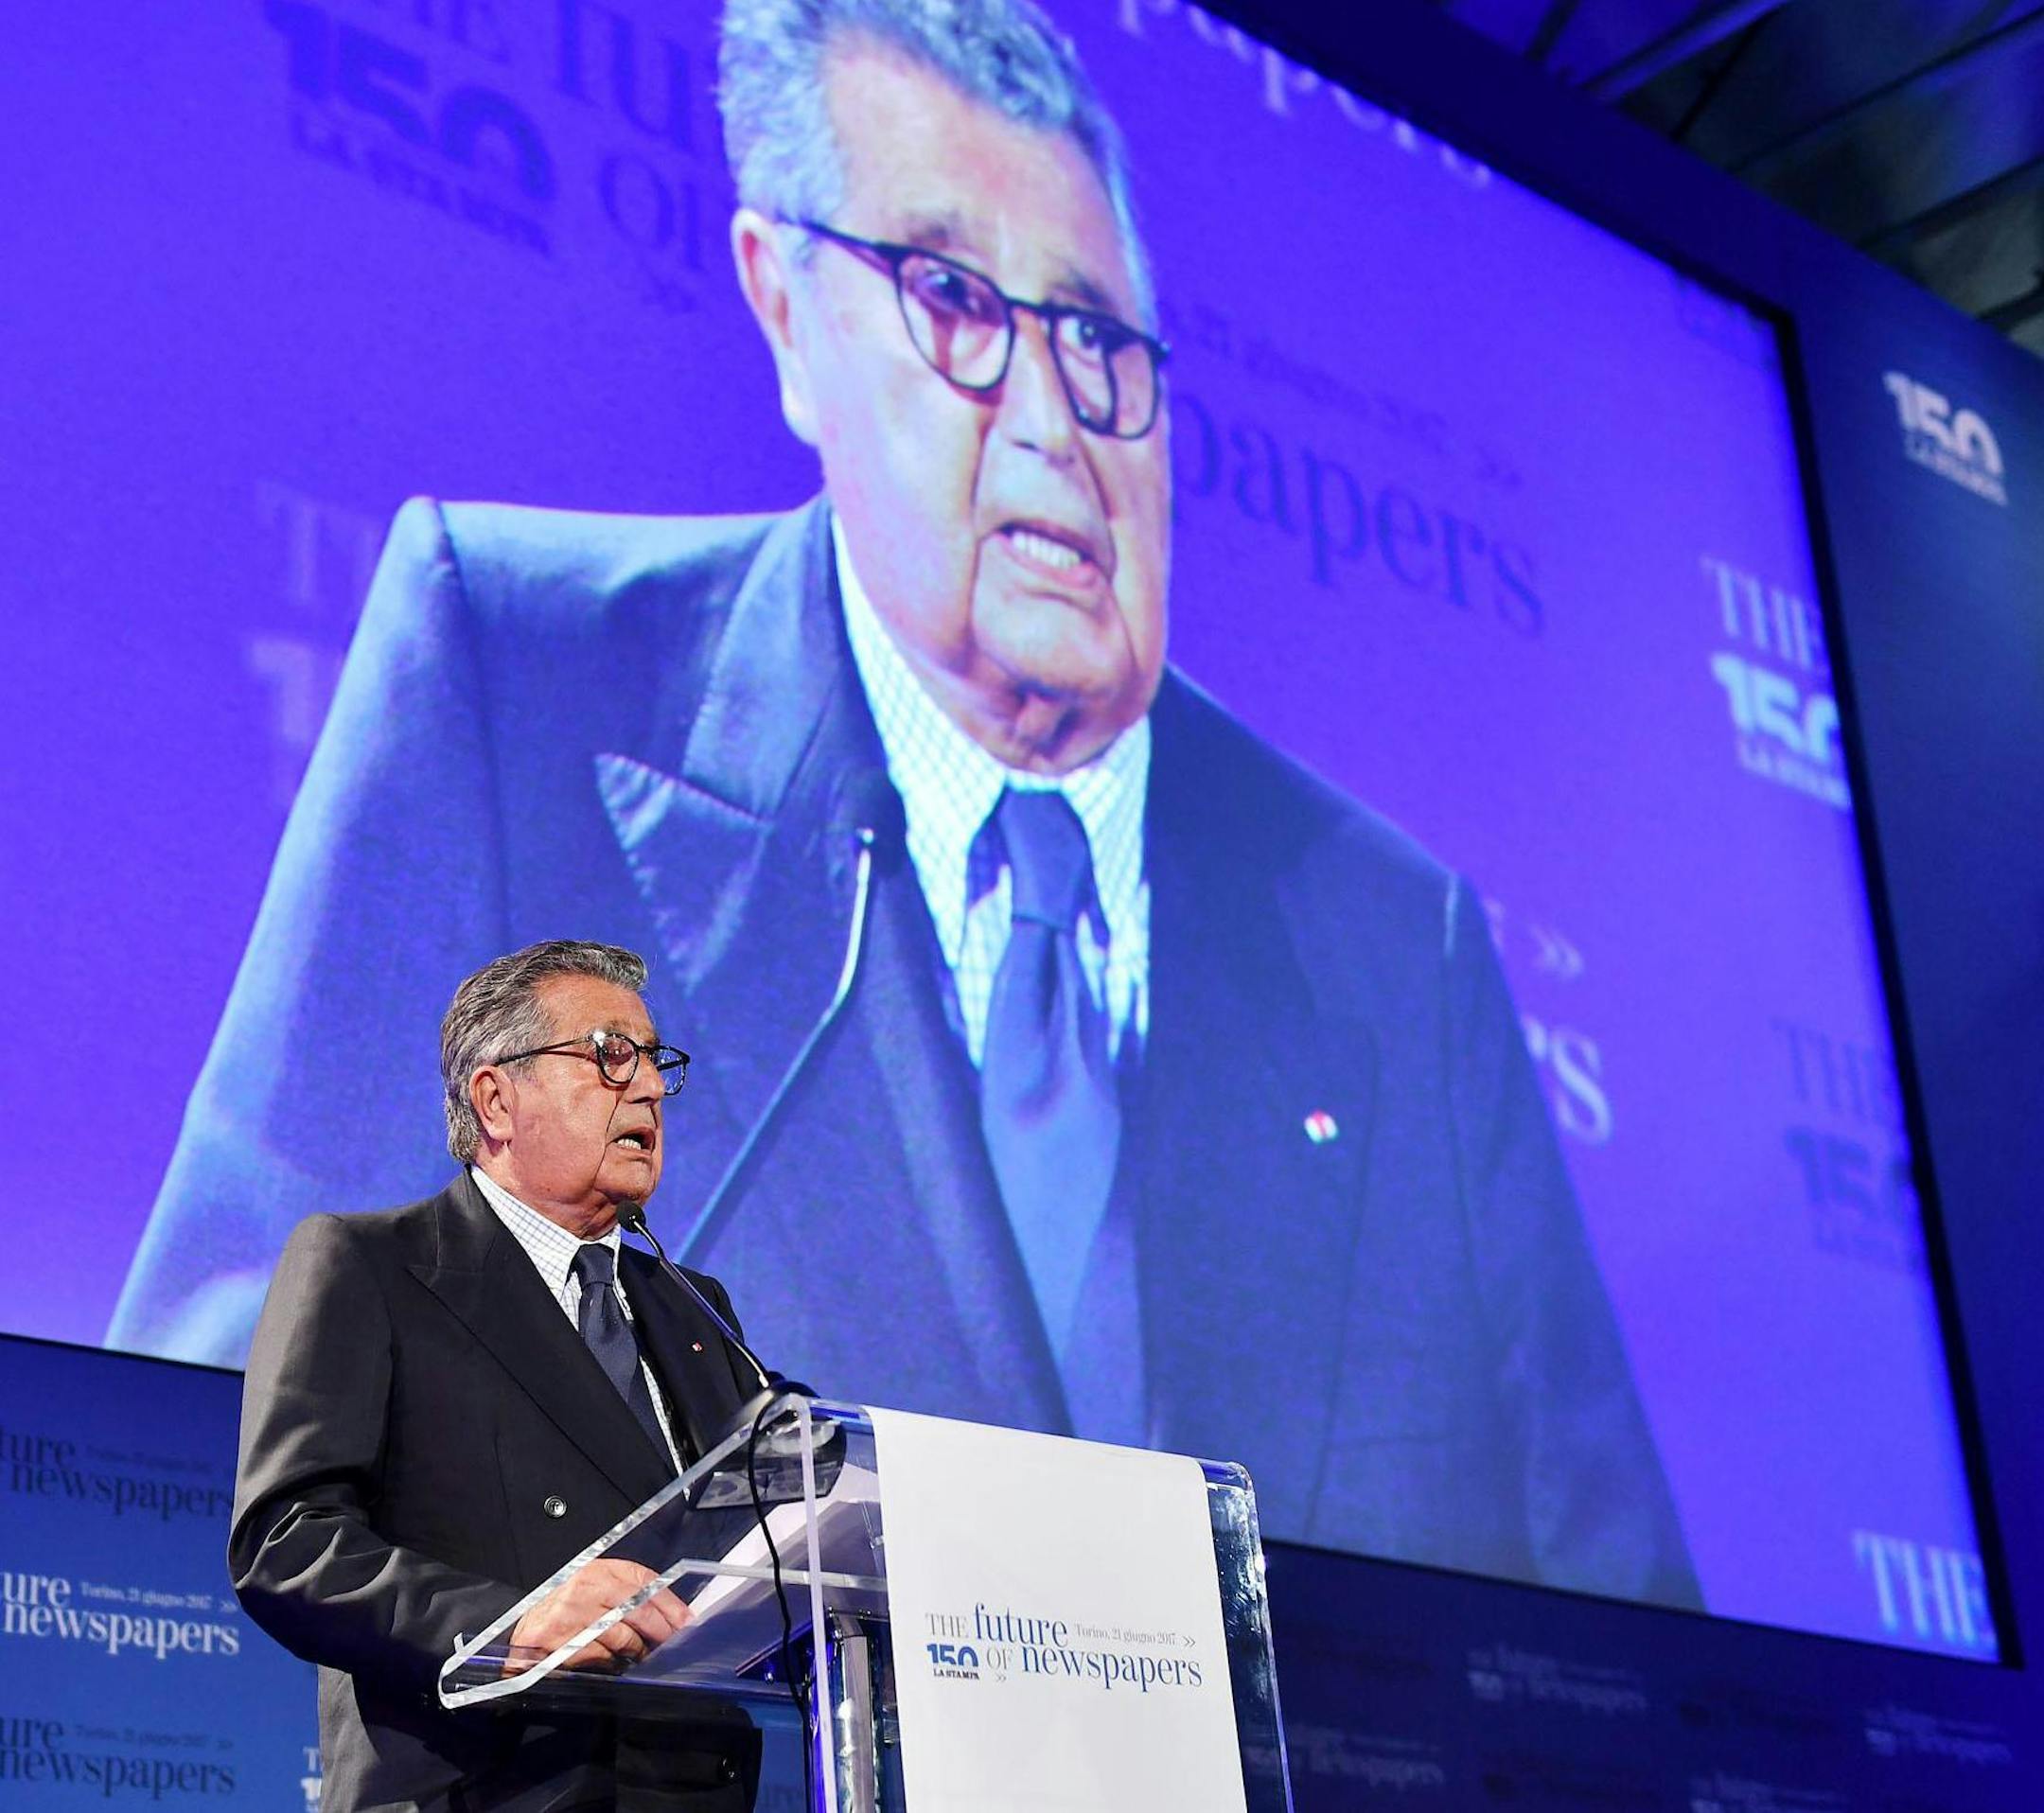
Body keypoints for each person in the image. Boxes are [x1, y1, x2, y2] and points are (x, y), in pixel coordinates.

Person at [131, 0, 1698, 1606]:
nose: (1050, 417)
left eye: (1096, 337)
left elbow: (1617, 1637)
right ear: (784, 307)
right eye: (952, 300)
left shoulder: (1389, 930)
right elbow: (219, 1397)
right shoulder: (508, 675)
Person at [230, 941, 763, 1811]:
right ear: (496, 1098)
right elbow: (287, 1543)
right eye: (609, 1055)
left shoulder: (693, 1311)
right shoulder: (372, 1267)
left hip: (680, 1786)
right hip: (481, 1783)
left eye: (656, 1062)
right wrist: (509, 1626)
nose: (652, 1089)